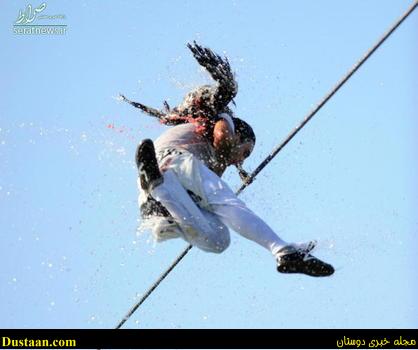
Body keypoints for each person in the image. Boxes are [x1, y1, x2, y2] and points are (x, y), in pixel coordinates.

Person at [131, 42, 334, 277]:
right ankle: (282, 250)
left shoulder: (204, 164)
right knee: (228, 203)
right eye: (245, 152)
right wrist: (227, 159)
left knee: (218, 240)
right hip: (171, 159)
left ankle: (162, 202)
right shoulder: (225, 119)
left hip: (162, 184)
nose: (241, 160)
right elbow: (221, 138)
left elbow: (207, 186)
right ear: (239, 135)